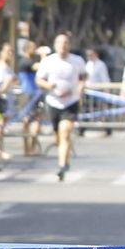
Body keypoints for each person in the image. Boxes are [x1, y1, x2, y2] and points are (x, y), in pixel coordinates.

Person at [35, 33, 84, 181]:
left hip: (71, 102)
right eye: (60, 43)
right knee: (58, 137)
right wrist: (48, 85)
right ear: (55, 45)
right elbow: (39, 79)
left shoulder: (77, 60)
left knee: (65, 132)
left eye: (66, 43)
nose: (63, 46)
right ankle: (65, 157)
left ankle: (62, 165)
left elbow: (83, 77)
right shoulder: (48, 61)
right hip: (54, 102)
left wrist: (79, 89)